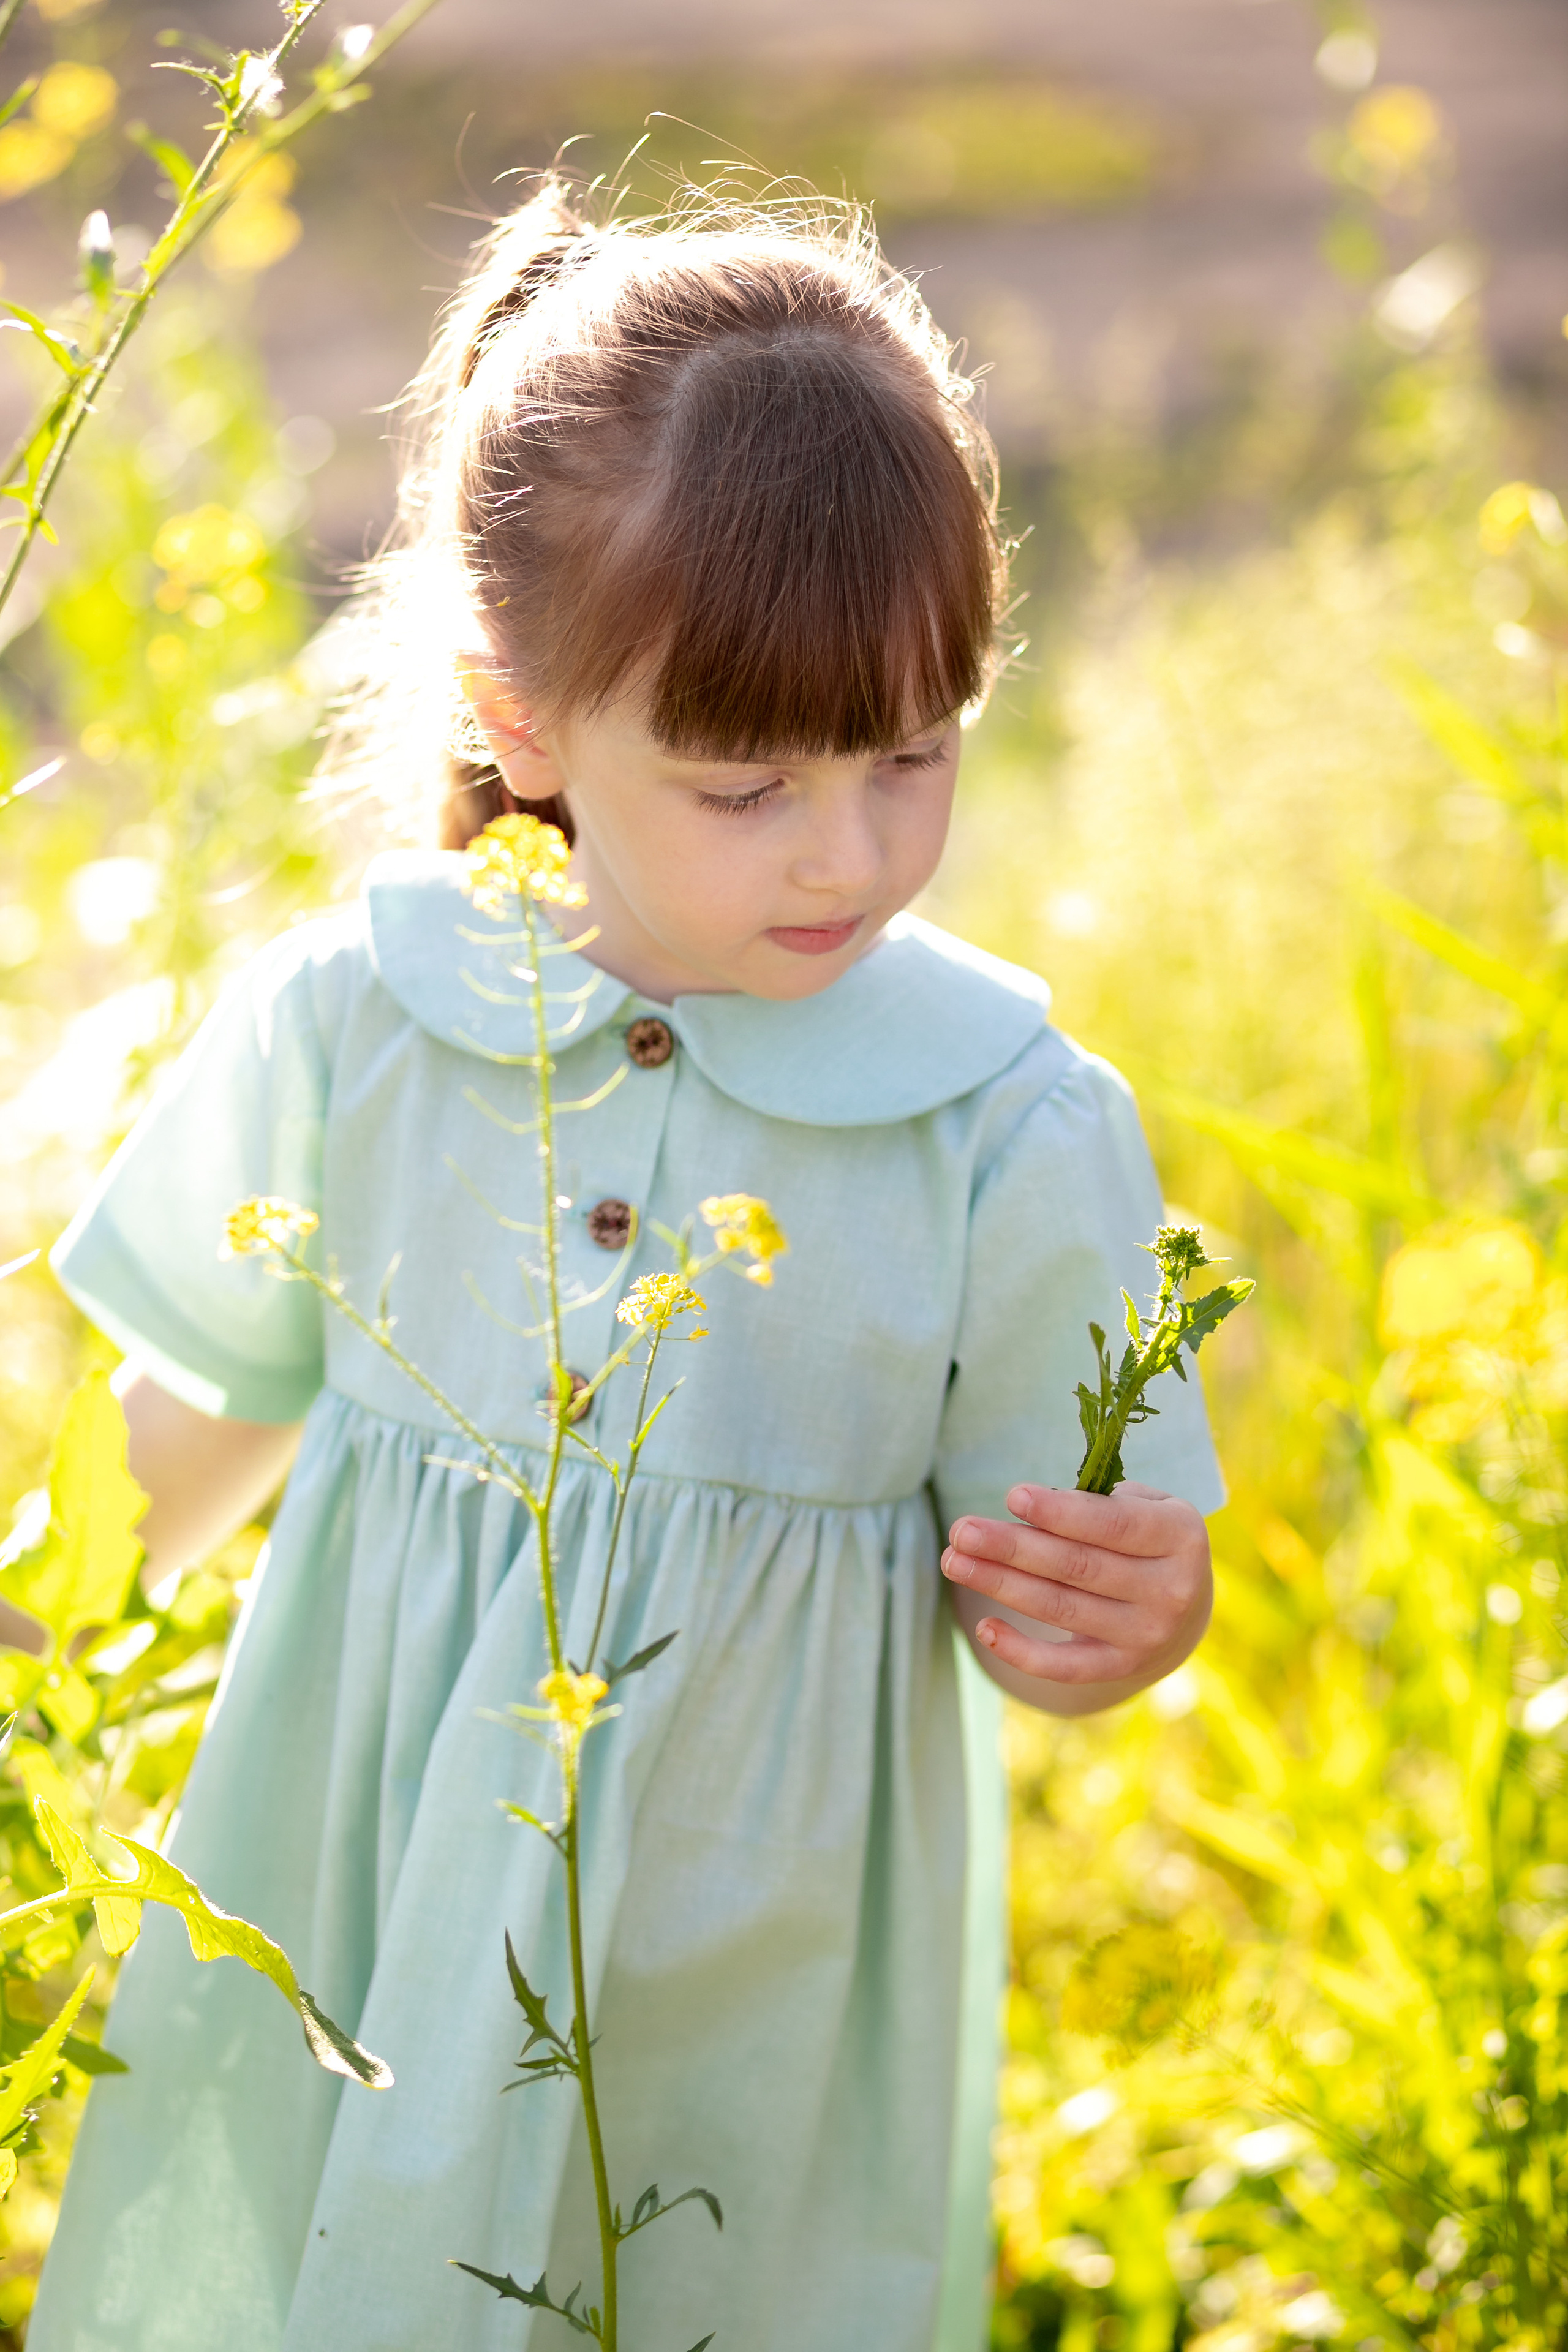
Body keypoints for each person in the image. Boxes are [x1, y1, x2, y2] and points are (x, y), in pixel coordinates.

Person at [30, 184, 1223, 2352]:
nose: (848, 851)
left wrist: (1133, 1617)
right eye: (749, 781)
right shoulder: (359, 1019)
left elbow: (1064, 1592)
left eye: (913, 755)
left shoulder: (1007, 1123)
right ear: (529, 719)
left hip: (746, 1993)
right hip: (362, 1916)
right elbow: (165, 1454)